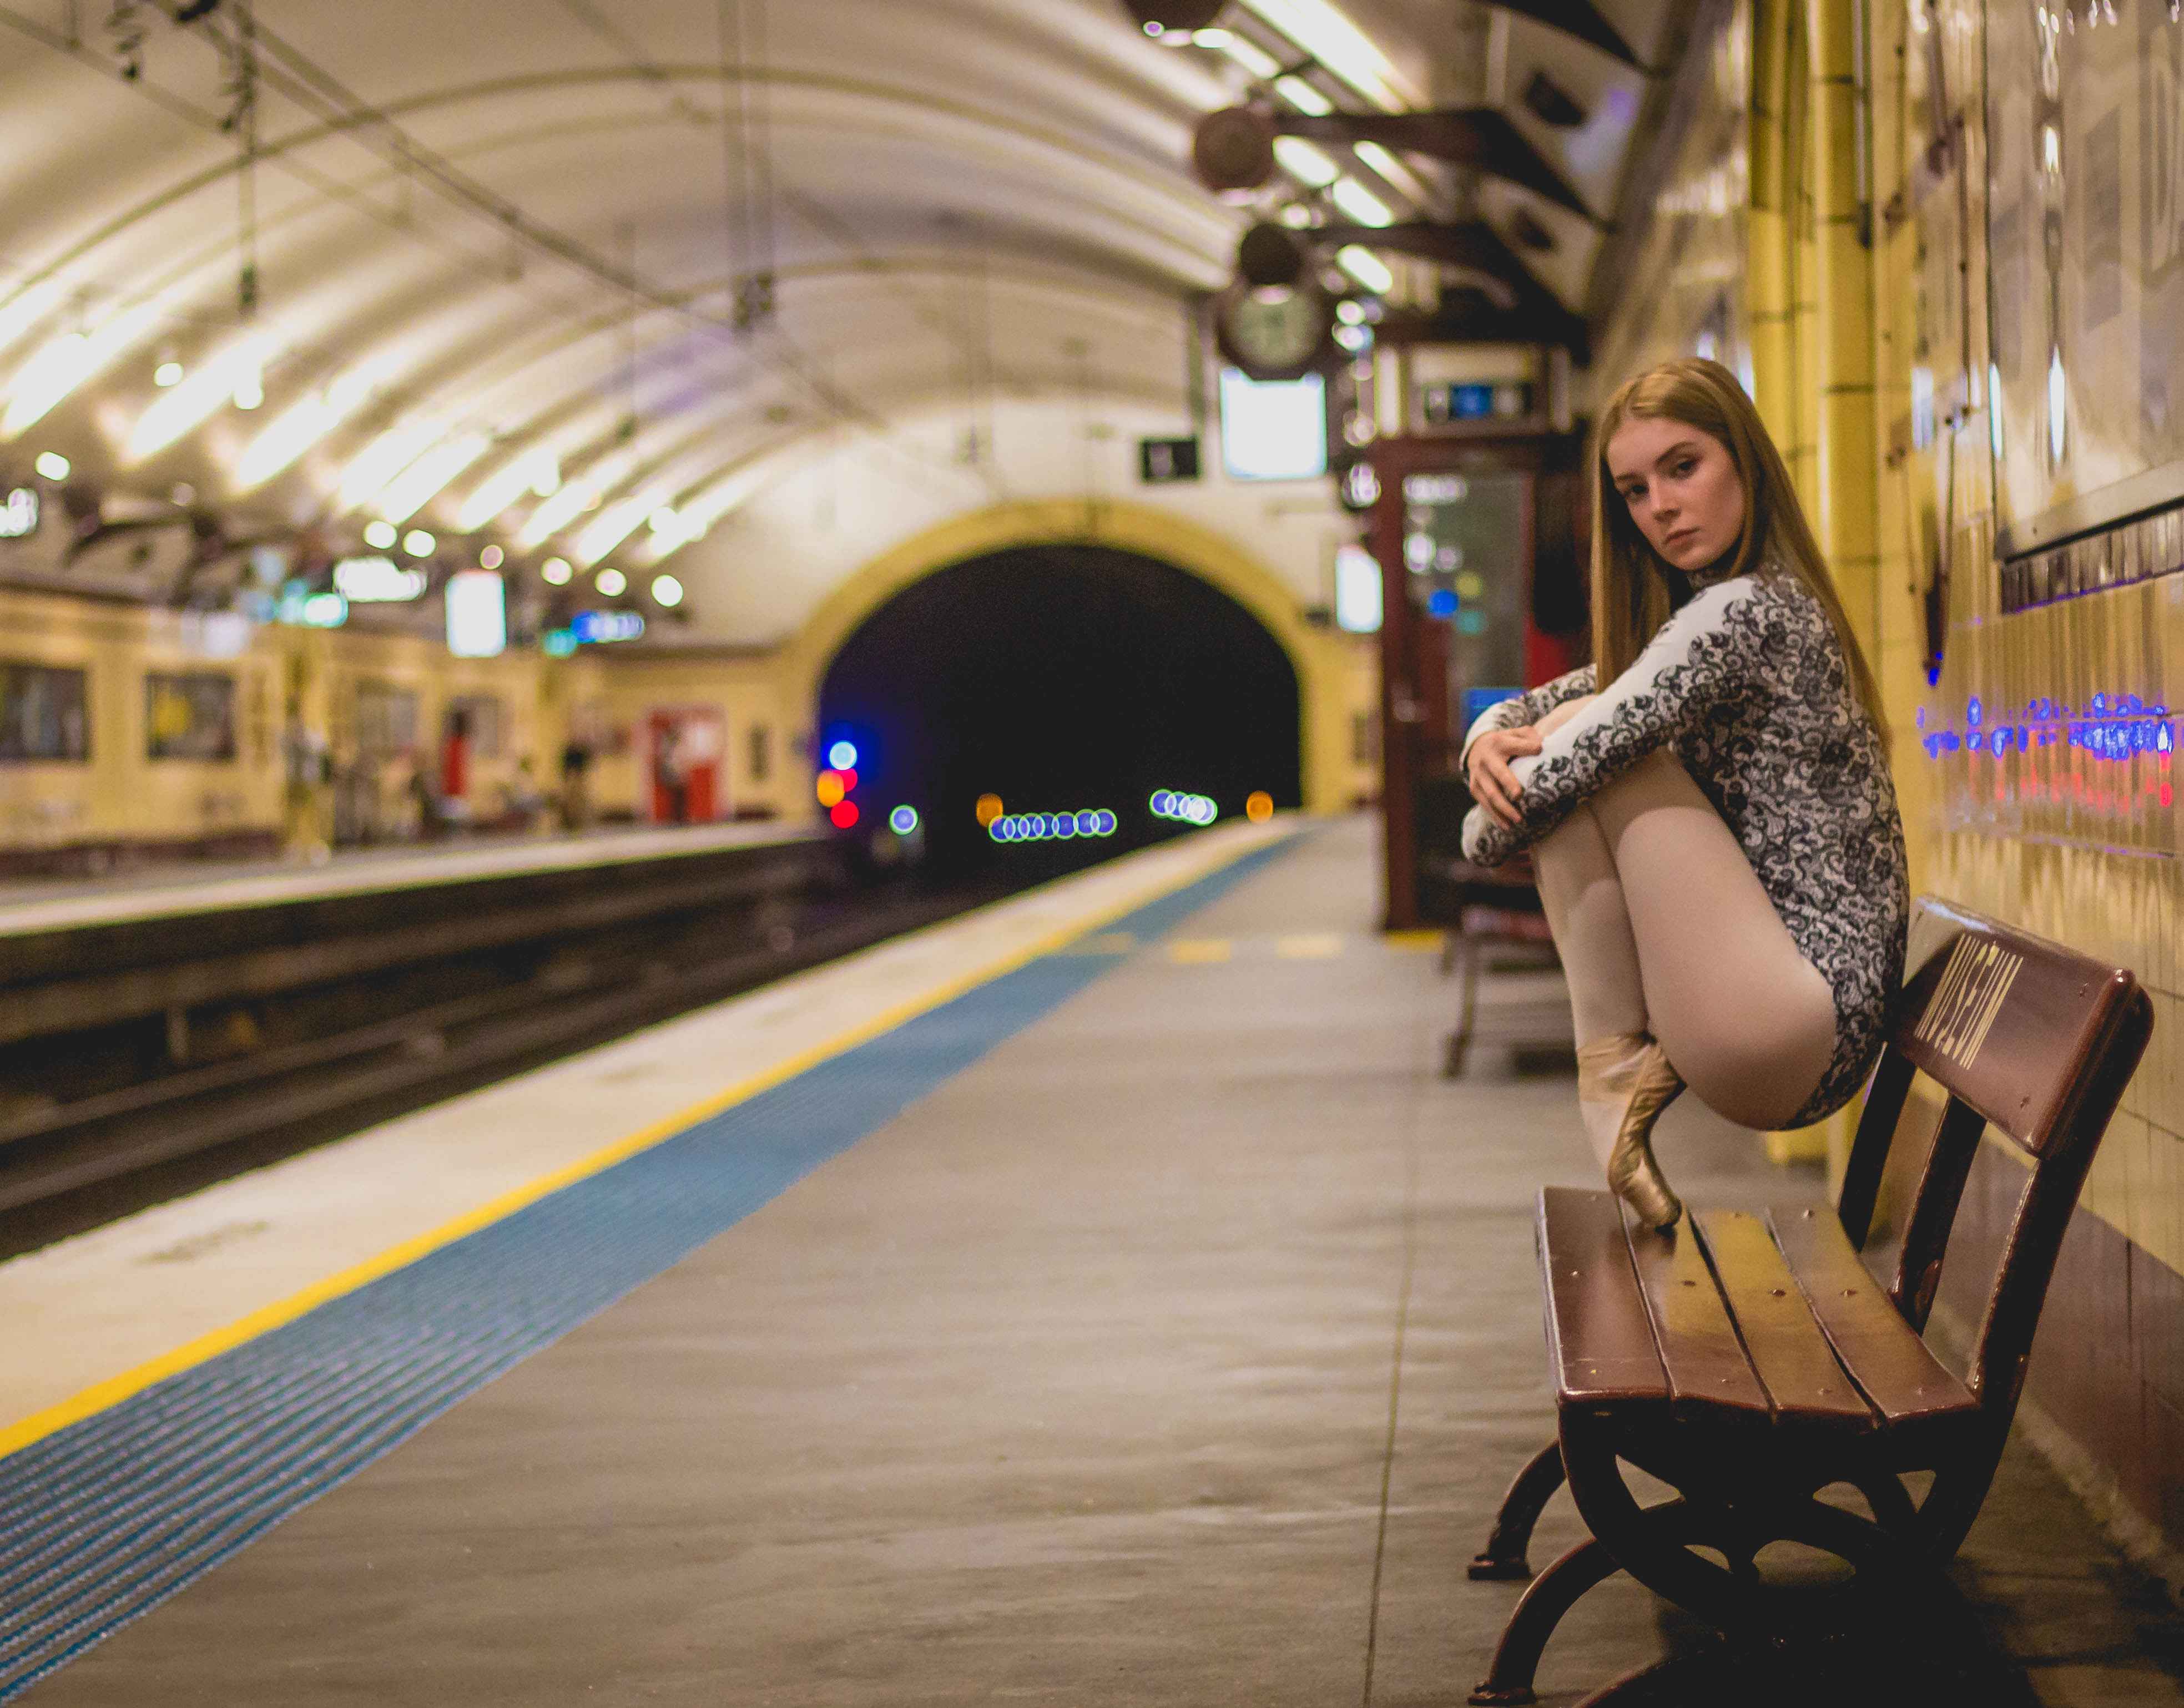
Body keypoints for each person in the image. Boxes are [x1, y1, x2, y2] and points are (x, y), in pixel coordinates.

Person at [1461, 357, 1907, 1231]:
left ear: (1742, 461)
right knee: (1592, 725)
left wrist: (1504, 776)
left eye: (1681, 467)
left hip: (1790, 1021)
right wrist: (1486, 738)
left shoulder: (1738, 616)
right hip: (1796, 1023)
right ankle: (1616, 1058)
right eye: (1632, 489)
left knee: (1599, 747)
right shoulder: (1735, 612)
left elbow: (1497, 831)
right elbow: (1537, 712)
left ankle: (1611, 1057)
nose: (1658, 506)